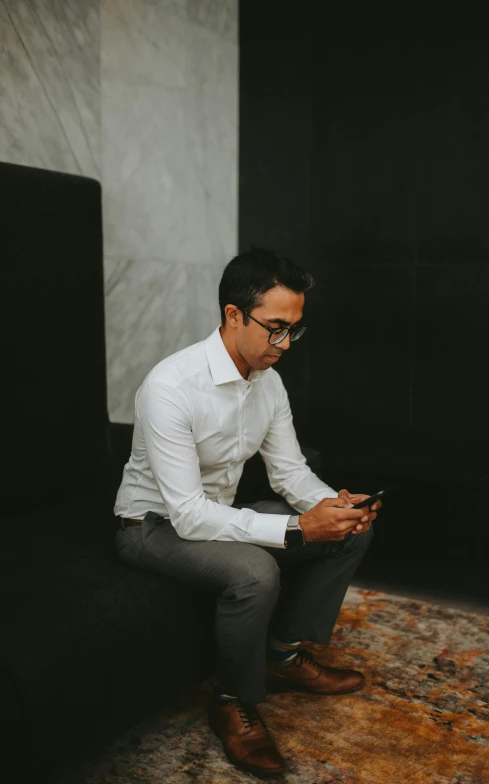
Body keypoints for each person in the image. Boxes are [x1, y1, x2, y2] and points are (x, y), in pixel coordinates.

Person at [113, 248, 381, 777]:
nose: (285, 344)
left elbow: (289, 472)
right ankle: (232, 700)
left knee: (347, 533)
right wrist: (299, 526)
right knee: (255, 572)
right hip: (151, 527)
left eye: (295, 330)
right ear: (234, 315)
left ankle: (278, 656)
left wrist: (330, 506)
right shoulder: (170, 387)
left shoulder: (268, 379)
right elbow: (187, 515)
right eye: (275, 328)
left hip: (217, 513)